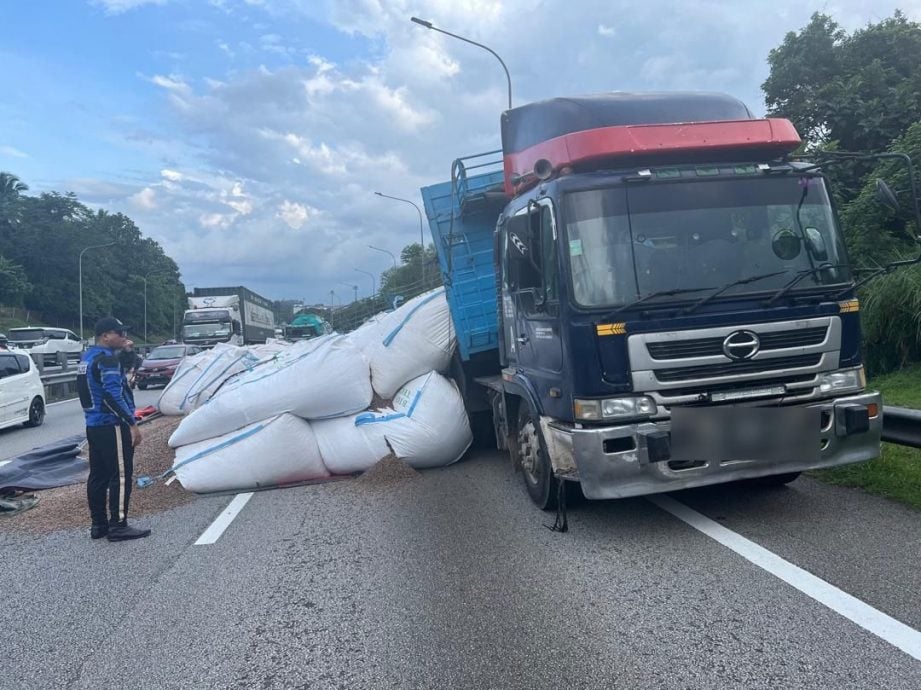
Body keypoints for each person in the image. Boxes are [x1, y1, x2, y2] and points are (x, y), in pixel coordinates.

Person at [77, 317, 149, 542]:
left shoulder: (87, 357)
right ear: (105, 336)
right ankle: (118, 525)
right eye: (119, 333)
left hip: (93, 425)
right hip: (111, 425)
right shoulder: (107, 362)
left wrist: (126, 353)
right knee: (120, 476)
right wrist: (131, 423)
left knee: (98, 476)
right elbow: (111, 396)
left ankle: (99, 525)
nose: (124, 337)